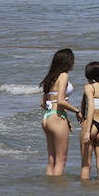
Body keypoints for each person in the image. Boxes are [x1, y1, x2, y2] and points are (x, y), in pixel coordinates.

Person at [39, 48, 79, 176]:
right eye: (72, 60)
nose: (74, 63)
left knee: (52, 160)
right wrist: (77, 111)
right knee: (61, 160)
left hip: (47, 117)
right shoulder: (64, 76)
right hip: (57, 117)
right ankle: (57, 190)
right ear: (67, 61)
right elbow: (61, 101)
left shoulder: (50, 77)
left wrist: (65, 119)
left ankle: (49, 189)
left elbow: (42, 103)